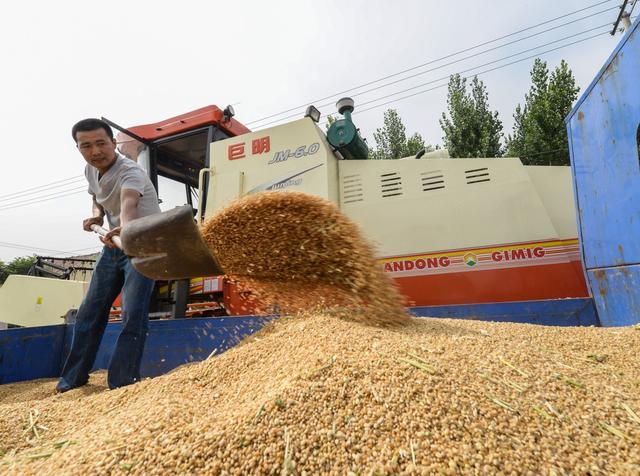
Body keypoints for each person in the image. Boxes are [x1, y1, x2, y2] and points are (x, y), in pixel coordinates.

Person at [56, 118, 161, 392]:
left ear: (113, 143)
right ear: (78, 148)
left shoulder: (131, 172)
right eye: (86, 146)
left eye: (101, 143)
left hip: (143, 246)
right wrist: (96, 216)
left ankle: (122, 385)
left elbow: (129, 204)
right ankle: (72, 380)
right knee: (89, 313)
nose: (95, 151)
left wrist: (125, 228)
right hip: (113, 246)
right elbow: (97, 197)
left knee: (132, 314)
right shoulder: (90, 171)